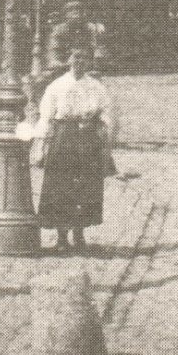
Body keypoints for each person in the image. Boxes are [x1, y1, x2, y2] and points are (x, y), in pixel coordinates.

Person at [30, 46, 119, 252]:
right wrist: (40, 146)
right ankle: (62, 236)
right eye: (75, 57)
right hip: (64, 137)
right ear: (68, 60)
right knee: (61, 185)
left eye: (84, 58)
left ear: (89, 62)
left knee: (86, 186)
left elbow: (107, 114)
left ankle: (79, 234)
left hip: (88, 139)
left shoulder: (96, 87)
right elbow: (45, 117)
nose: (79, 62)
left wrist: (105, 138)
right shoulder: (57, 86)